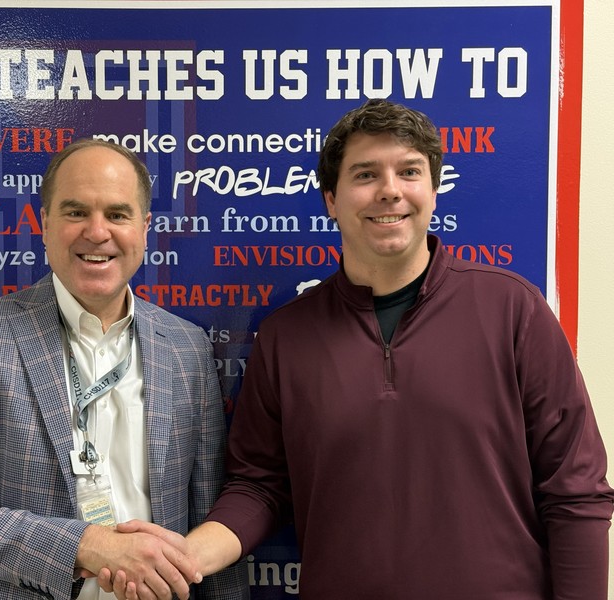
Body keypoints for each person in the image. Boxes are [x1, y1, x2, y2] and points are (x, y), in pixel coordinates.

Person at [102, 99, 614, 599]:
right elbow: (259, 486)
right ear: (331, 199)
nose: (390, 192)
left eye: (409, 172)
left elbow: (576, 491)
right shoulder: (286, 336)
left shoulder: (513, 309)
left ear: (434, 190)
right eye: (365, 175)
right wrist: (180, 561)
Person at [0, 138, 249, 600]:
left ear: (144, 228)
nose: (97, 232)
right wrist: (88, 547)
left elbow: (209, 511)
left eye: (117, 214)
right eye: (75, 212)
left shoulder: (186, 347)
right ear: (44, 224)